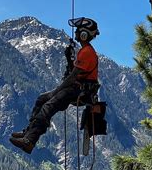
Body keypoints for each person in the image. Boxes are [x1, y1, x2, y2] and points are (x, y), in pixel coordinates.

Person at [9, 17, 100, 154]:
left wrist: (56, 91)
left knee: (48, 105)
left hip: (79, 90)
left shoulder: (87, 52)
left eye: (78, 30)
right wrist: (70, 59)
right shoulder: (84, 51)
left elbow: (73, 77)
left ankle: (29, 141)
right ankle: (29, 132)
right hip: (77, 88)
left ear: (84, 34)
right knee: (41, 99)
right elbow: (75, 72)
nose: (75, 33)